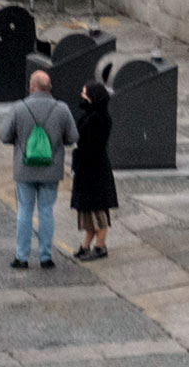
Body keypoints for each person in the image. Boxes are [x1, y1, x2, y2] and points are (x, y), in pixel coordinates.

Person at [0, 69, 79, 270]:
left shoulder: (19, 108)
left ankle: (22, 257)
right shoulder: (61, 109)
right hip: (51, 169)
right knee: (46, 212)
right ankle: (45, 257)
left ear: (32, 87)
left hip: (24, 169)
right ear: (49, 88)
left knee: (24, 211)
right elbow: (73, 137)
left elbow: (4, 136)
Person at [70, 81, 118, 260]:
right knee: (88, 212)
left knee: (97, 212)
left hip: (93, 170)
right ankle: (85, 245)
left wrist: (80, 163)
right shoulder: (92, 116)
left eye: (85, 94)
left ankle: (100, 246)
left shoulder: (97, 119)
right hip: (89, 169)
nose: (82, 96)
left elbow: (91, 147)